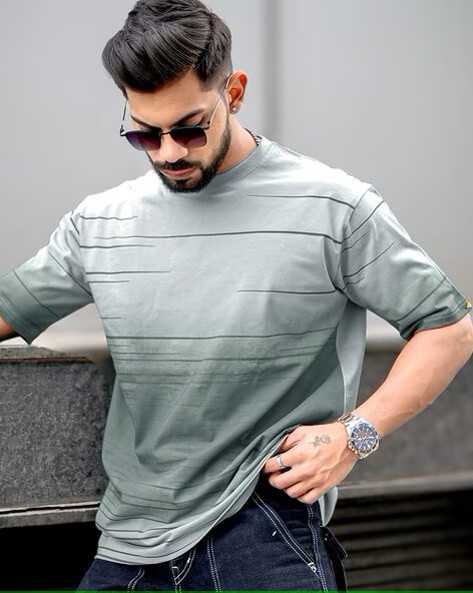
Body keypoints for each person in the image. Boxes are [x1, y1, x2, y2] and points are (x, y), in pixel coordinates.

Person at [0, 0, 472, 590]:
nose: (170, 152)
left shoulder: (334, 206)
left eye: (189, 128)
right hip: (130, 537)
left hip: (264, 527)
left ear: (235, 91)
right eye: (144, 133)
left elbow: (449, 326)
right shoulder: (100, 222)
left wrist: (355, 434)